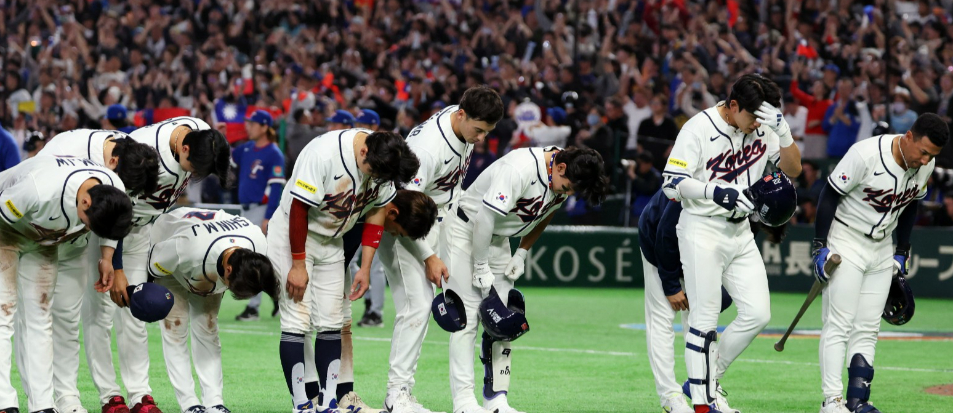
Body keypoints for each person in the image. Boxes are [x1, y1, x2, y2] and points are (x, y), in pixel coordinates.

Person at [661, 73, 802, 413]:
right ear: (733, 105)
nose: (757, 124)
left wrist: (783, 132)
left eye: (764, 118)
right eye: (753, 116)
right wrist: (714, 190)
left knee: (758, 314)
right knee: (704, 319)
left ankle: (708, 381)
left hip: (741, 232)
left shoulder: (764, 127)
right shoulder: (698, 127)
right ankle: (703, 403)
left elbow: (794, 169)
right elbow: (671, 183)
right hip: (702, 228)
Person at [269, 128, 428, 413]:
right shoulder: (323, 155)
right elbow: (298, 209)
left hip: (333, 240)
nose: (377, 179)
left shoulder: (384, 160)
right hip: (293, 235)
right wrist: (298, 264)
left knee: (332, 321)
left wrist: (365, 267)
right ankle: (301, 405)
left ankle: (328, 403)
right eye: (374, 173)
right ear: (364, 152)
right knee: (296, 321)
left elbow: (377, 210)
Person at [445, 146, 609, 413]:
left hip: (498, 238)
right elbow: (485, 218)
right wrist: (481, 265)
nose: (567, 193)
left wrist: (522, 252)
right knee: (467, 318)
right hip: (465, 231)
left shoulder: (563, 175)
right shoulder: (520, 168)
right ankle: (463, 402)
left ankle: (496, 399)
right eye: (567, 187)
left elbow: (546, 213)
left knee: (503, 321)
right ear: (560, 167)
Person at [88, 116, 230, 413]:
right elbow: (116, 206)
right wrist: (116, 267)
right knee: (102, 313)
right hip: (107, 231)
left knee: (134, 313)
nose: (194, 174)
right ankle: (110, 396)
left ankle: (140, 395)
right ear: (185, 149)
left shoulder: (199, 134)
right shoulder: (145, 152)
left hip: (141, 230)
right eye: (194, 168)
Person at [377, 85, 504, 413]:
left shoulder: (461, 122)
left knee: (451, 304)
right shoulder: (429, 149)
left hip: (436, 219)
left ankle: (421, 395)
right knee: (417, 307)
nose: (481, 138)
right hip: (405, 226)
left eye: (487, 132)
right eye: (478, 130)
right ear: (461, 115)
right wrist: (430, 256)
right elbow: (402, 206)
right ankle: (396, 395)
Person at [811, 114, 948, 413]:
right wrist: (820, 246)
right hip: (847, 238)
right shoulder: (866, 154)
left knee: (868, 327)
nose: (926, 160)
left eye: (932, 155)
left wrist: (902, 249)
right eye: (923, 152)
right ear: (909, 136)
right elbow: (829, 194)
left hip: (882, 246)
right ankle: (831, 401)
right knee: (839, 324)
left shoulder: (925, 165)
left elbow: (912, 203)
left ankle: (857, 400)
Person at [25, 129, 160, 413]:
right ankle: (32, 401)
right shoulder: (64, 150)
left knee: (67, 318)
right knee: (33, 317)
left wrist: (108, 258)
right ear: (112, 162)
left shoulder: (129, 159)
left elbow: (116, 212)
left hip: (82, 233)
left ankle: (68, 399)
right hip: (39, 230)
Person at [0, 155, 133, 413]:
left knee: (41, 317)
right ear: (85, 202)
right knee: (3, 312)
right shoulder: (39, 188)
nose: (87, 229)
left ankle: (42, 405)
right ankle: (3, 401)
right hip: (5, 225)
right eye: (88, 224)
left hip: (44, 236)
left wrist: (107, 258)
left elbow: (111, 227)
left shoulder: (114, 188)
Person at [147, 207, 278, 413]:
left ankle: (214, 402)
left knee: (208, 327)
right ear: (229, 270)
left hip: (210, 246)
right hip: (169, 240)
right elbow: (153, 265)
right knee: (175, 328)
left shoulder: (258, 243)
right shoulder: (187, 248)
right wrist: (148, 295)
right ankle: (189, 404)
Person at [639, 189, 734, 413]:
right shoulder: (699, 187)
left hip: (697, 249)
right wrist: (671, 286)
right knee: (662, 317)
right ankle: (670, 396)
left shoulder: (746, 204)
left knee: (702, 320)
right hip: (658, 239)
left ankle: (704, 390)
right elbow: (665, 234)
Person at [232, 110, 286, 322]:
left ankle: (253, 307)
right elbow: (227, 157)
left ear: (264, 127)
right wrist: (223, 137)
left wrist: (269, 216)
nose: (249, 126)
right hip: (245, 210)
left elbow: (276, 188)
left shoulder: (274, 153)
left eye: (253, 123)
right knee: (261, 258)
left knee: (255, 259)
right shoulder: (246, 148)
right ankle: (277, 299)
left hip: (261, 210)